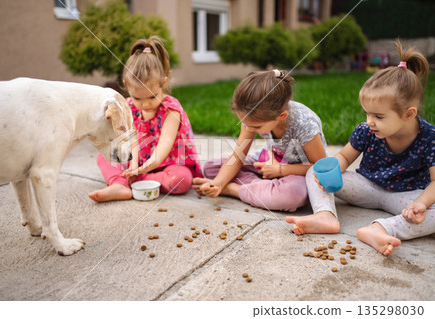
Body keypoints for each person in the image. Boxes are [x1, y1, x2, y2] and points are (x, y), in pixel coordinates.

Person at [286, 40, 435, 256]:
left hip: (405, 197)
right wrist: (332, 168)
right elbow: (345, 157)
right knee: (314, 169)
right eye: (367, 113)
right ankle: (325, 216)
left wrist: (420, 205)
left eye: (378, 116)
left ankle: (382, 229)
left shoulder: (430, 137)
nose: (370, 121)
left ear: (409, 114)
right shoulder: (366, 130)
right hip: (366, 187)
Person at [192, 70, 327, 211]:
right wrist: (218, 183)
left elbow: (320, 166)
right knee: (211, 168)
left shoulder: (304, 124)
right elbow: (238, 156)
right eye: (244, 122)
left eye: (256, 127)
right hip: (268, 162)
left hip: (297, 171)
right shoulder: (252, 116)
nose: (249, 128)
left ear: (281, 116)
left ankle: (233, 190)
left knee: (293, 196)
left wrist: (280, 170)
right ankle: (265, 190)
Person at [88, 36, 201, 202]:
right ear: (127, 88)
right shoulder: (129, 107)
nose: (145, 104)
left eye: (152, 97)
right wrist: (133, 165)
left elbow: (164, 147)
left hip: (169, 163)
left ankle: (129, 181)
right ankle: (119, 185)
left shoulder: (171, 109)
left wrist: (140, 171)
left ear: (163, 83)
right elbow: (131, 139)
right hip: (139, 161)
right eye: (137, 99)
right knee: (104, 156)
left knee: (182, 180)